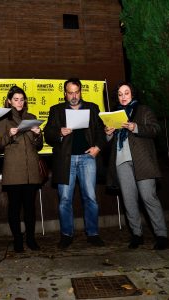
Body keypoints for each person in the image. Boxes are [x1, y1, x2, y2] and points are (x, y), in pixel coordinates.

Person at [105, 81, 169, 250]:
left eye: (126, 93)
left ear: (132, 94)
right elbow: (107, 143)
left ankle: (161, 236)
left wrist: (135, 127)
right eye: (120, 94)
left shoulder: (144, 110)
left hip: (143, 161)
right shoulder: (114, 114)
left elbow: (155, 129)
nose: (123, 97)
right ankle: (136, 235)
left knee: (149, 197)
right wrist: (108, 134)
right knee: (129, 200)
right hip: (121, 162)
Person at [44, 78, 106, 249]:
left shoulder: (92, 108)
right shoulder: (56, 110)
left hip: (88, 158)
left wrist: (98, 147)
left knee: (91, 198)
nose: (73, 96)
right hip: (66, 160)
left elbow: (102, 131)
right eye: (70, 92)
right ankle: (66, 235)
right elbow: (47, 134)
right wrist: (59, 132)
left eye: (76, 92)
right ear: (65, 93)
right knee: (64, 199)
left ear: (81, 91)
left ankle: (93, 233)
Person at [0, 86, 43, 253]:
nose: (19, 102)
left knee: (30, 207)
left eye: (22, 99)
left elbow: (39, 146)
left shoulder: (31, 117)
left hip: (31, 169)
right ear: (9, 101)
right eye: (16, 99)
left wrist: (38, 134)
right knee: (14, 208)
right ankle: (17, 240)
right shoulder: (3, 119)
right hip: (13, 170)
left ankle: (31, 239)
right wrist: (10, 134)